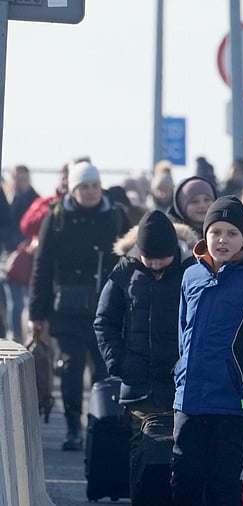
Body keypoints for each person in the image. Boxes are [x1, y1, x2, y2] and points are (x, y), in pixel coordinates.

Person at [171, 195, 243, 505]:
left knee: (225, 485)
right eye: (216, 232)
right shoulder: (191, 275)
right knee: (184, 480)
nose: (222, 240)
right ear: (205, 234)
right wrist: (180, 379)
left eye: (232, 233)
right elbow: (183, 334)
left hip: (233, 403)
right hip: (190, 400)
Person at [94, 210, 198, 498]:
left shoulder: (193, 272)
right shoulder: (124, 273)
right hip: (138, 386)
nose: (153, 264)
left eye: (160, 258)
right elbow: (104, 322)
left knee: (180, 456)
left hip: (181, 385)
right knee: (141, 455)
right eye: (147, 257)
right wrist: (119, 363)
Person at [29, 160, 130, 451]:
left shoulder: (114, 215)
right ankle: (73, 427)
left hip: (106, 308)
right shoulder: (57, 216)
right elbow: (43, 265)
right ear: (73, 189)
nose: (90, 192)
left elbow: (130, 259)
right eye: (83, 186)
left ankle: (100, 426)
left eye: (94, 185)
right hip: (66, 311)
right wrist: (36, 313)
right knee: (71, 369)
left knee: (103, 371)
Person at [6, 164, 39, 342]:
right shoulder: (9, 200)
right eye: (17, 179)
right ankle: (16, 335)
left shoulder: (36, 201)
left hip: (29, 258)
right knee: (14, 301)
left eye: (23, 179)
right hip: (9, 257)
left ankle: (25, 336)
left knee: (26, 300)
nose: (19, 183)